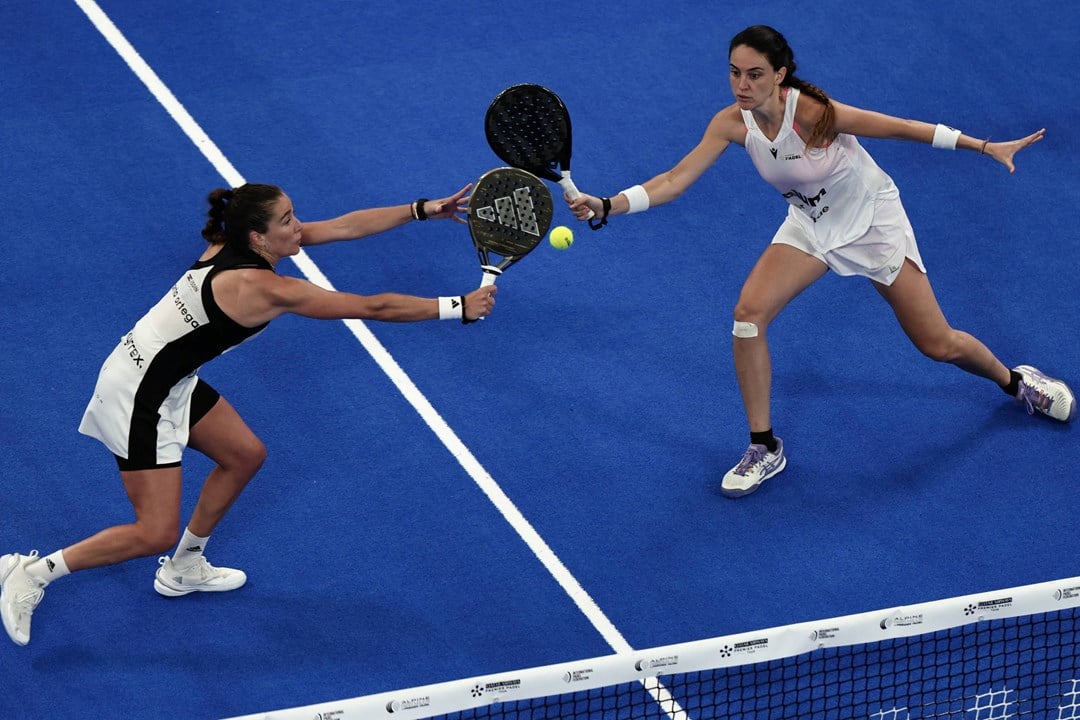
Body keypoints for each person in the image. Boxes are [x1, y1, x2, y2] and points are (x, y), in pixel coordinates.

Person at [568, 25, 1074, 498]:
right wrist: (609, 204)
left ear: (780, 74)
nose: (741, 85)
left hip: (872, 223)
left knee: (937, 344)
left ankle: (1016, 381)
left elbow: (897, 127)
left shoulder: (811, 111)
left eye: (755, 74)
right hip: (810, 225)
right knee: (748, 315)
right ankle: (764, 446)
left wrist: (984, 145)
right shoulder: (731, 124)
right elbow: (675, 179)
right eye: (734, 72)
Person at [0, 183, 497, 646]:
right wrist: (457, 307)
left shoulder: (233, 243)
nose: (299, 225)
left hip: (163, 375)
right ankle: (32, 573)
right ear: (259, 237)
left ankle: (184, 568)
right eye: (287, 220)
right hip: (138, 395)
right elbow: (373, 306)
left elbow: (344, 226)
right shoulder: (263, 289)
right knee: (152, 531)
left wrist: (424, 210)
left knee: (244, 455)